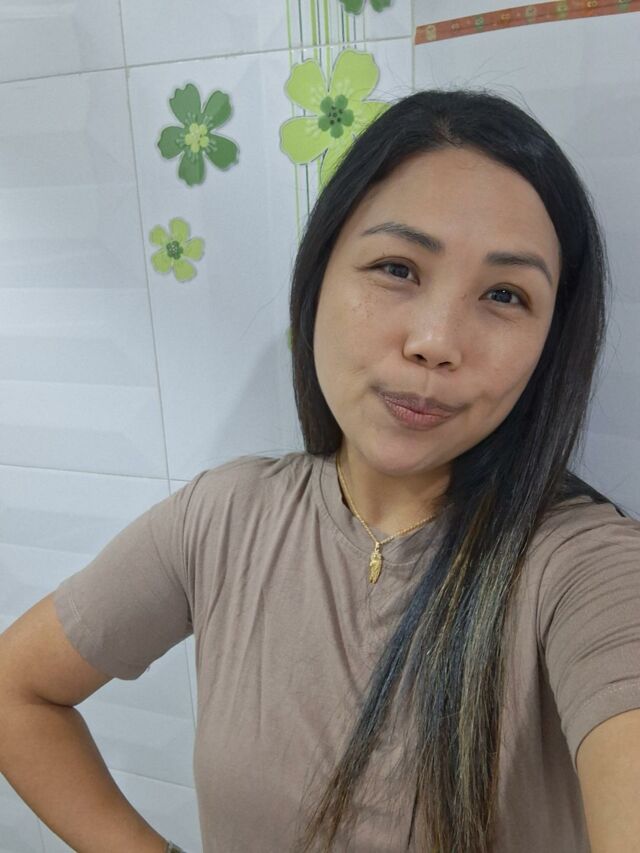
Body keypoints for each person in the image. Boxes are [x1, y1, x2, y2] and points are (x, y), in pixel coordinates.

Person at [1, 88, 639, 853]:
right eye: (397, 267)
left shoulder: (588, 570)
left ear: (549, 342)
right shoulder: (224, 517)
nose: (437, 341)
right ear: (318, 280)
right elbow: (16, 691)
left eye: (505, 294)